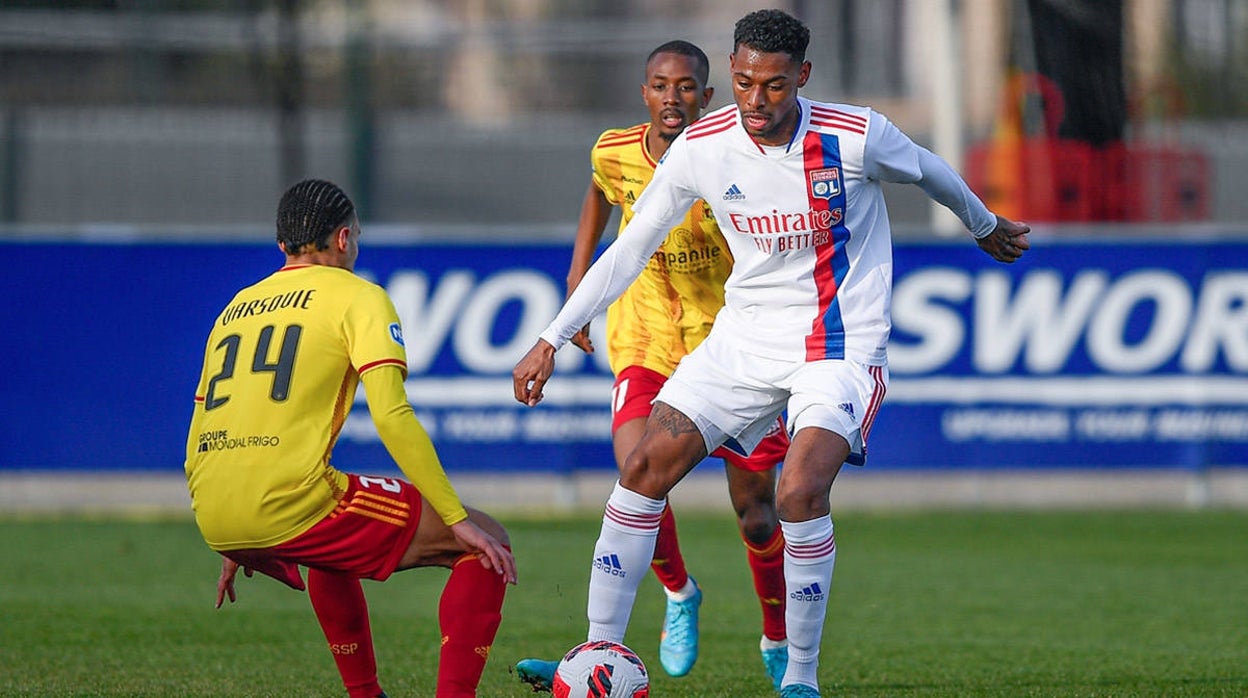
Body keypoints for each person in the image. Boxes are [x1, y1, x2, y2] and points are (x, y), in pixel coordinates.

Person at [512, 9, 1030, 698]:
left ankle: (801, 680)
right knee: (641, 468)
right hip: (742, 340)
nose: (757, 101)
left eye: (776, 86)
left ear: (802, 78)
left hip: (838, 345)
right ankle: (598, 653)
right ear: (732, 72)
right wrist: (550, 336)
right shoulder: (704, 145)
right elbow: (629, 250)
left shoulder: (854, 134)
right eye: (746, 82)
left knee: (796, 492)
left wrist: (984, 225)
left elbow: (932, 170)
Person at [513, 40, 791, 692]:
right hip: (646, 338)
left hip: (730, 349)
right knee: (635, 469)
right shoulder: (615, 150)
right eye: (661, 86)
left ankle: (778, 635)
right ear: (646, 94)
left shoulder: (737, 161)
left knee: (755, 513)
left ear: (707, 95)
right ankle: (678, 592)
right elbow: (599, 191)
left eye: (687, 87)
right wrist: (579, 278)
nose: (674, 98)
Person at [185, 178, 518, 698]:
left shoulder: (235, 309)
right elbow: (392, 414)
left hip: (214, 510)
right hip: (285, 502)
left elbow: (204, 422)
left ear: (282, 247)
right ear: (343, 239)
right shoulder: (359, 297)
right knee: (487, 543)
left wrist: (234, 519)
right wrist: (455, 518)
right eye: (356, 236)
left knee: (331, 545)